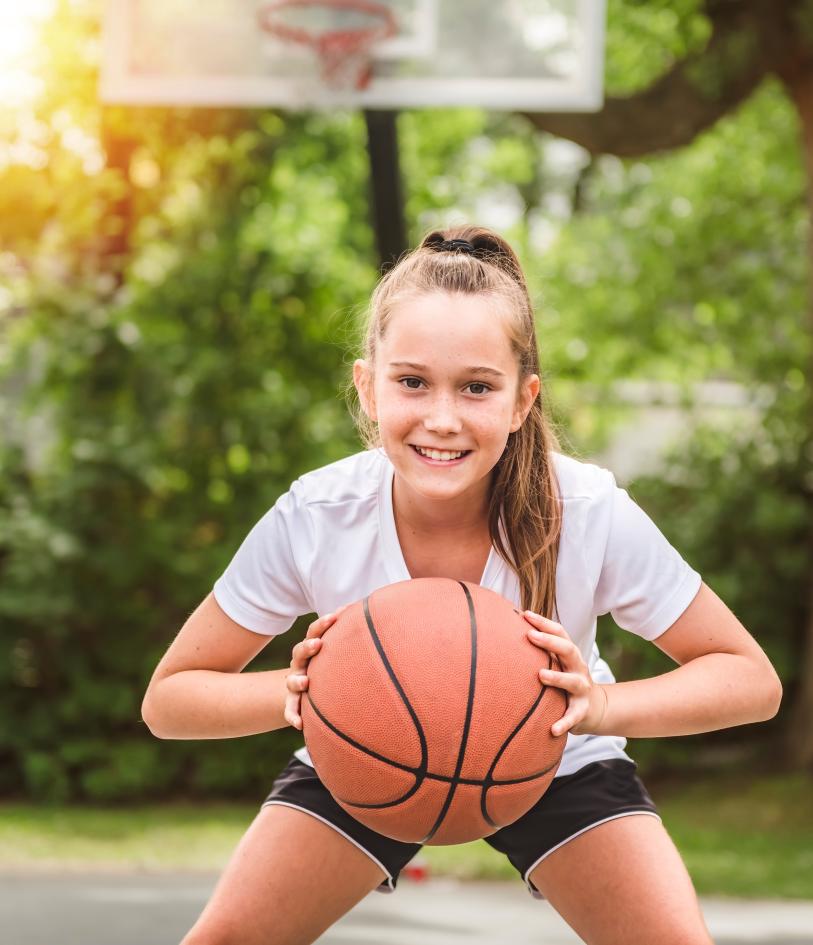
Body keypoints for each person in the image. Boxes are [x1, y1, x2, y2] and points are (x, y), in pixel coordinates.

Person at [142, 226, 782, 945]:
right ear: (367, 387)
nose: (441, 418)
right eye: (411, 381)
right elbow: (169, 700)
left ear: (520, 401)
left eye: (476, 387)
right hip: (366, 746)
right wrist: (299, 693)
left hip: (553, 751)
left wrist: (596, 703)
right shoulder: (318, 515)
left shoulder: (587, 510)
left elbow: (749, 678)